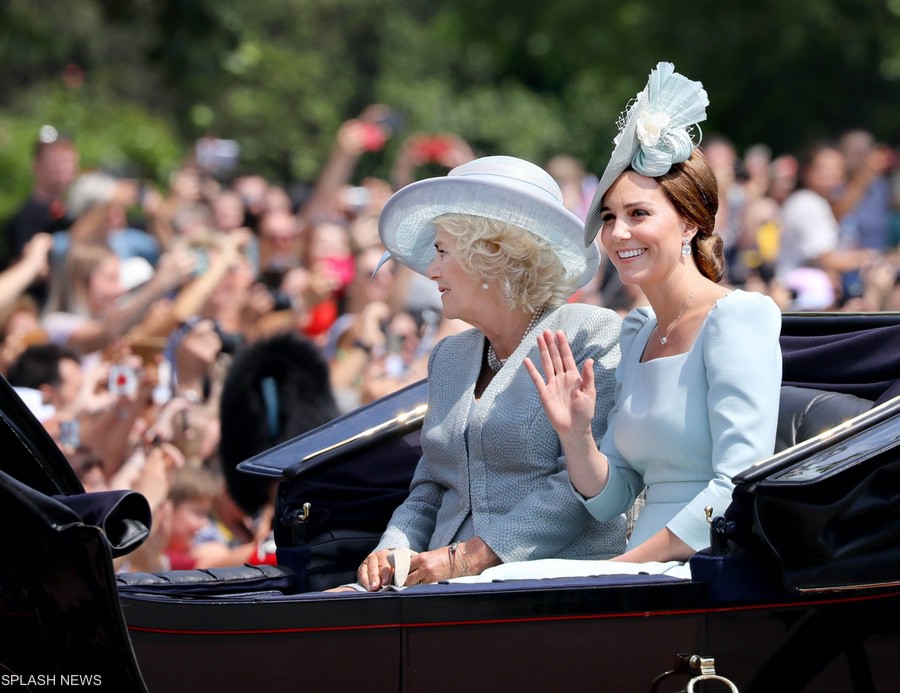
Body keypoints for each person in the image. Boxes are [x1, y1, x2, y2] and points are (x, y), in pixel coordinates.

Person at [527, 62, 782, 566]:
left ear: (689, 224)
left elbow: (738, 487)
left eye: (638, 214)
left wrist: (625, 568)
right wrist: (575, 435)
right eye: (608, 217)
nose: (618, 233)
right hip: (641, 571)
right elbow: (612, 498)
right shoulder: (638, 330)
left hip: (708, 567)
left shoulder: (738, 317)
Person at [348, 155, 625, 592]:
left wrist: (468, 558)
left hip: (550, 590)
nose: (431, 271)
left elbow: (582, 486)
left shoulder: (590, 334)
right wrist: (392, 550)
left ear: (491, 257)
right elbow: (430, 488)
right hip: (438, 586)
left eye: (441, 252)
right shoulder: (450, 357)